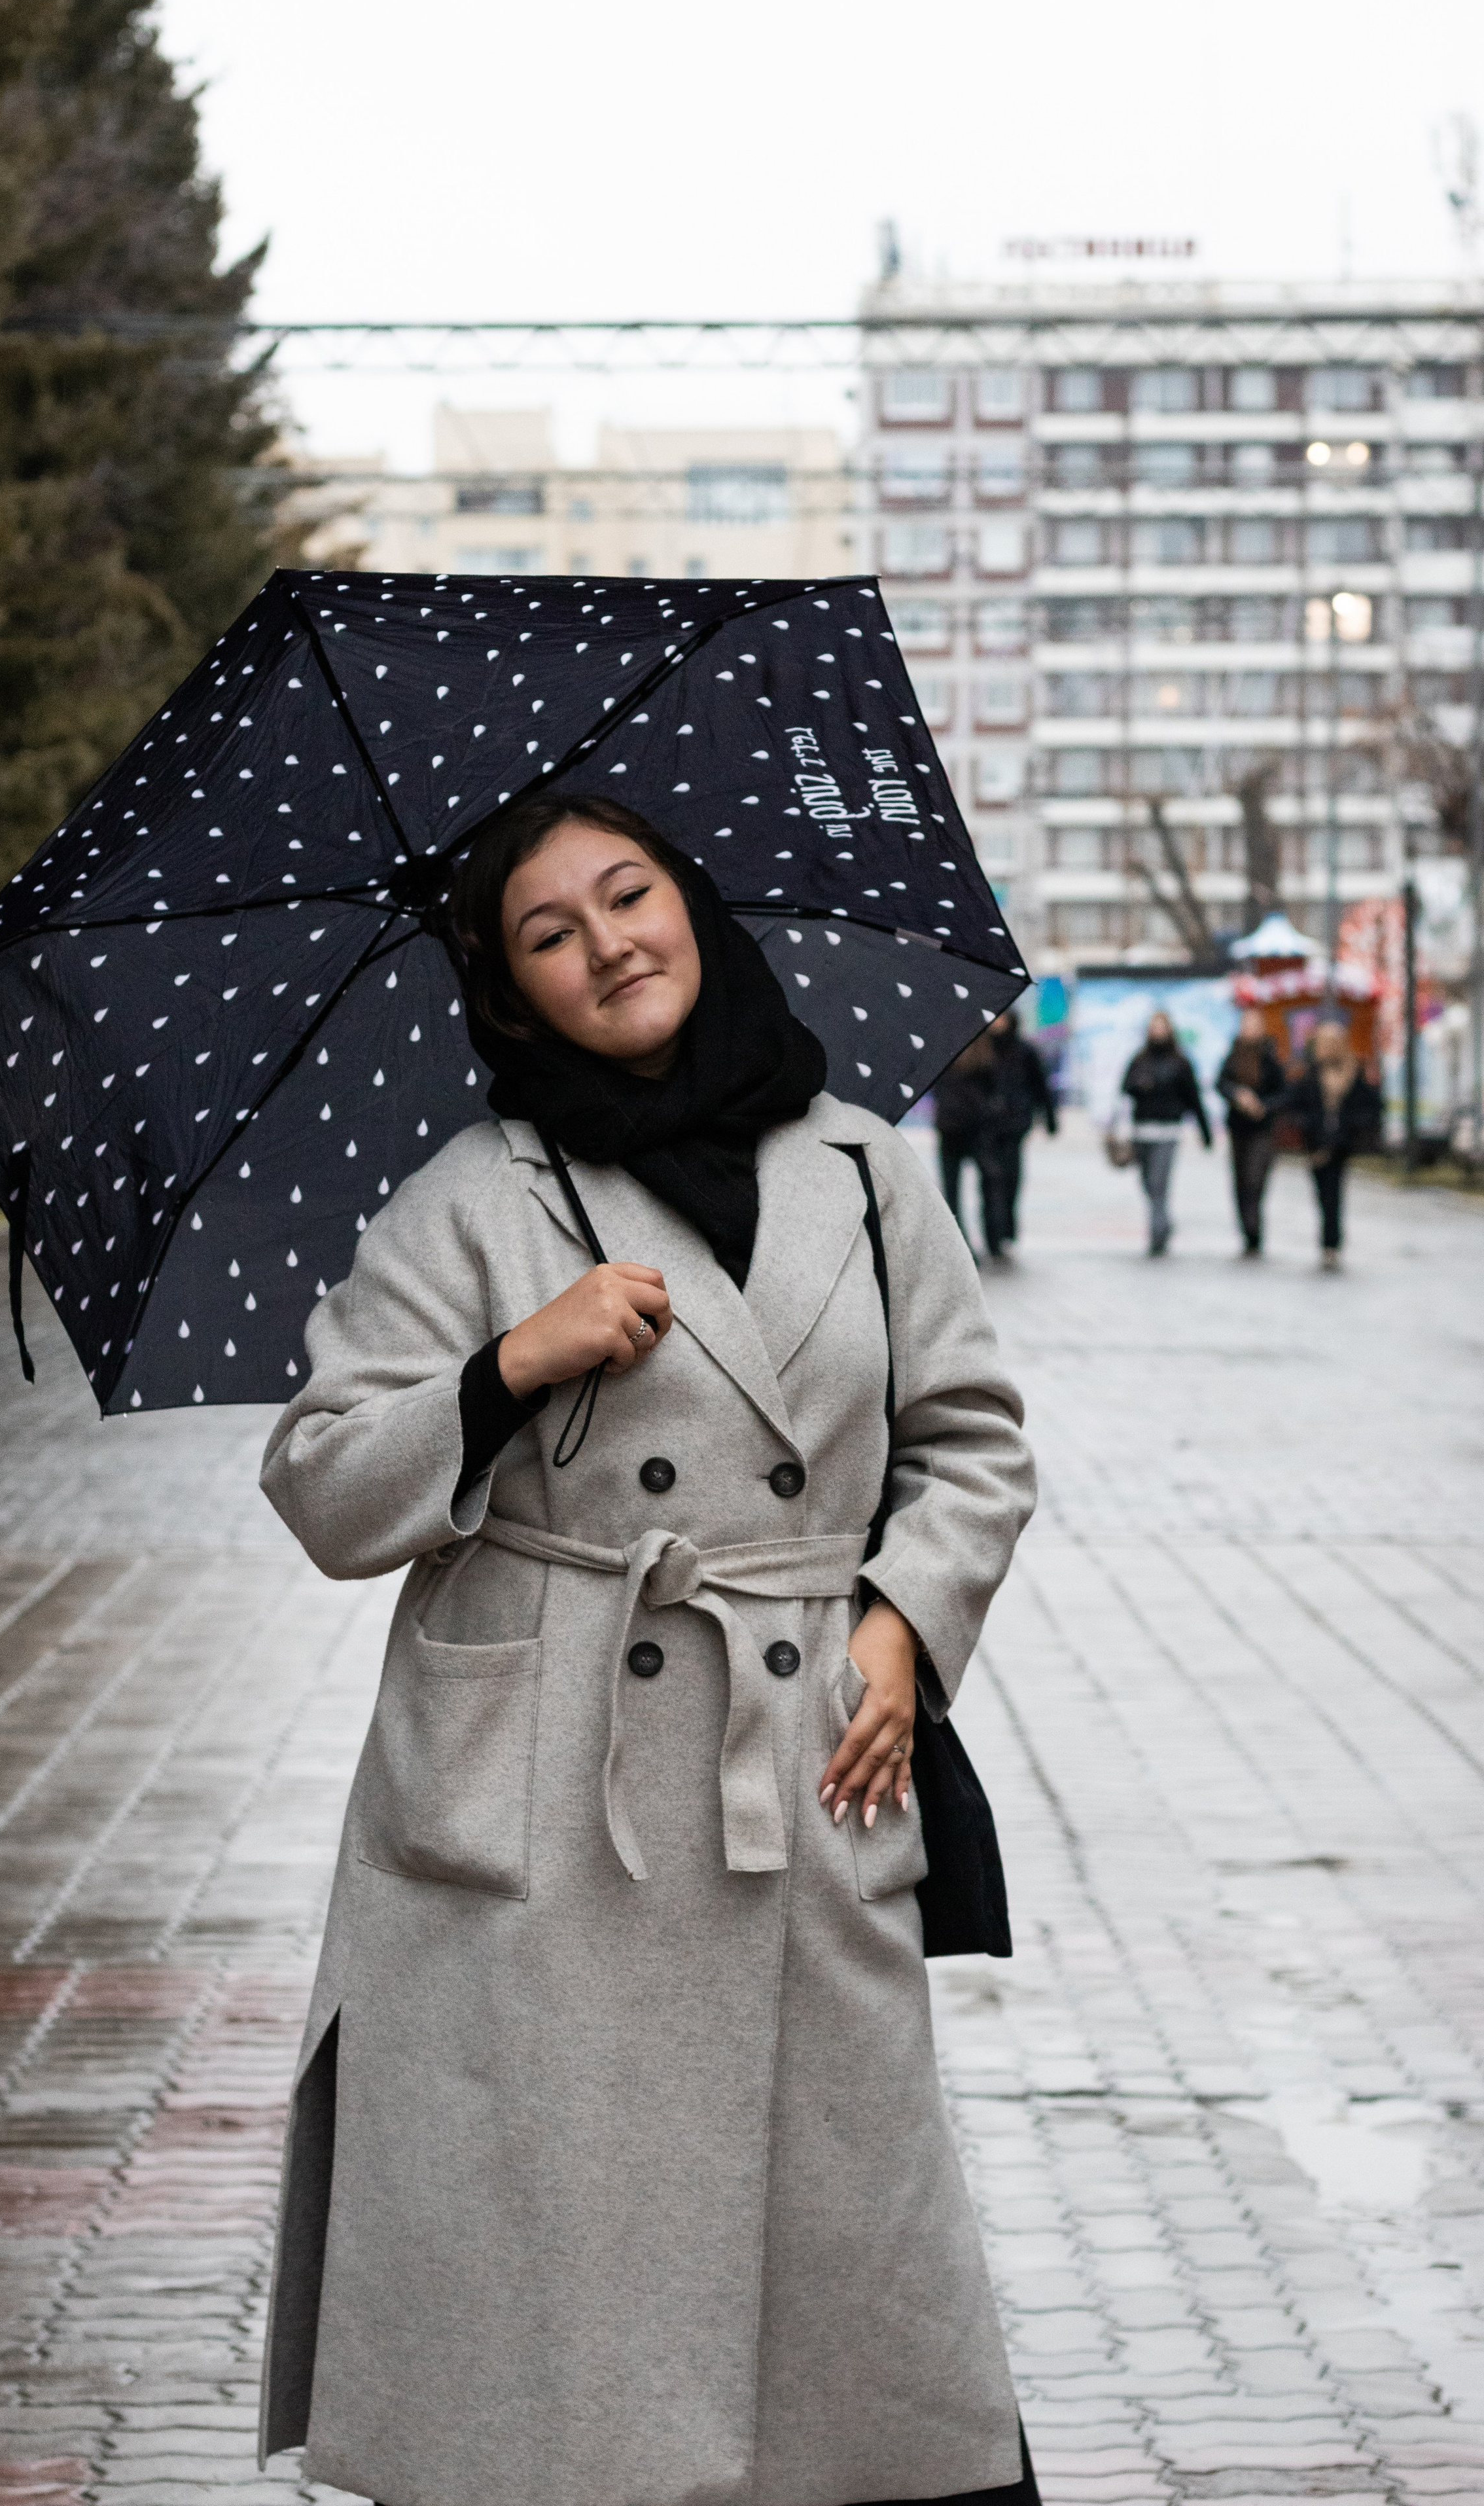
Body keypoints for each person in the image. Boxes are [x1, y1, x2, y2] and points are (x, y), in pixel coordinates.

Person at [256, 794, 1042, 2506]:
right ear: (510, 988)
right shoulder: (473, 1199)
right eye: (551, 932)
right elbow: (321, 1487)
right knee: (563, 2307)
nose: (609, 944)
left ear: (692, 902)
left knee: (855, 2293)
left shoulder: (860, 1165)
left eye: (630, 894)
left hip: (805, 1763)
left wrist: (901, 1625)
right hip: (548, 1794)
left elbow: (972, 1443)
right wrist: (507, 1368)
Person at [1278, 1018, 1381, 1271]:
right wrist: (1306, 1126)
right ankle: (1329, 1240)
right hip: (1316, 1143)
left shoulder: (1353, 1070)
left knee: (1334, 1192)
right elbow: (1295, 1104)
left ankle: (1331, 1242)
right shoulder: (1311, 1073)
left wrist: (1353, 1127)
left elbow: (1371, 1106)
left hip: (1341, 1143)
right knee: (1323, 1193)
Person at [1118, 1010, 1212, 1255]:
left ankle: (1157, 1234)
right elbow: (1125, 1088)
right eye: (1155, 1026)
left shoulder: (1180, 1062)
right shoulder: (1139, 1059)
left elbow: (1193, 1098)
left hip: (1168, 1131)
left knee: (1159, 1184)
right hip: (1142, 1130)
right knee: (1148, 1183)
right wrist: (1140, 1087)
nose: (1158, 1031)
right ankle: (1164, 1222)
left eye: (1162, 1026)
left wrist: (1205, 1131)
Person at [981, 1010, 1057, 1256]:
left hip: (1015, 1124)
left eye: (1002, 1019)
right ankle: (993, 1234)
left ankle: (1007, 1228)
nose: (998, 1024)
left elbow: (1040, 1086)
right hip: (986, 1125)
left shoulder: (1025, 1050)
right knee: (990, 1179)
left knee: (1011, 1177)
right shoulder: (981, 1050)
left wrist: (1049, 1119)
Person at [1214, 1007, 1286, 1257]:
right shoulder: (1234, 1055)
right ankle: (1247, 1231)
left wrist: (1262, 1106)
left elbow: (1283, 1093)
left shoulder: (1270, 1058)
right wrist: (1237, 1095)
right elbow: (1221, 1083)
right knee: (1240, 1182)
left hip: (1262, 1130)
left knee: (1255, 1180)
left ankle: (1255, 1230)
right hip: (1238, 1128)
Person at [932, 1026, 998, 1251]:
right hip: (967, 1129)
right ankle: (987, 1240)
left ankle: (966, 1244)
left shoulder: (948, 1053)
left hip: (960, 1128)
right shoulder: (984, 1049)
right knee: (983, 1186)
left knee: (955, 1191)